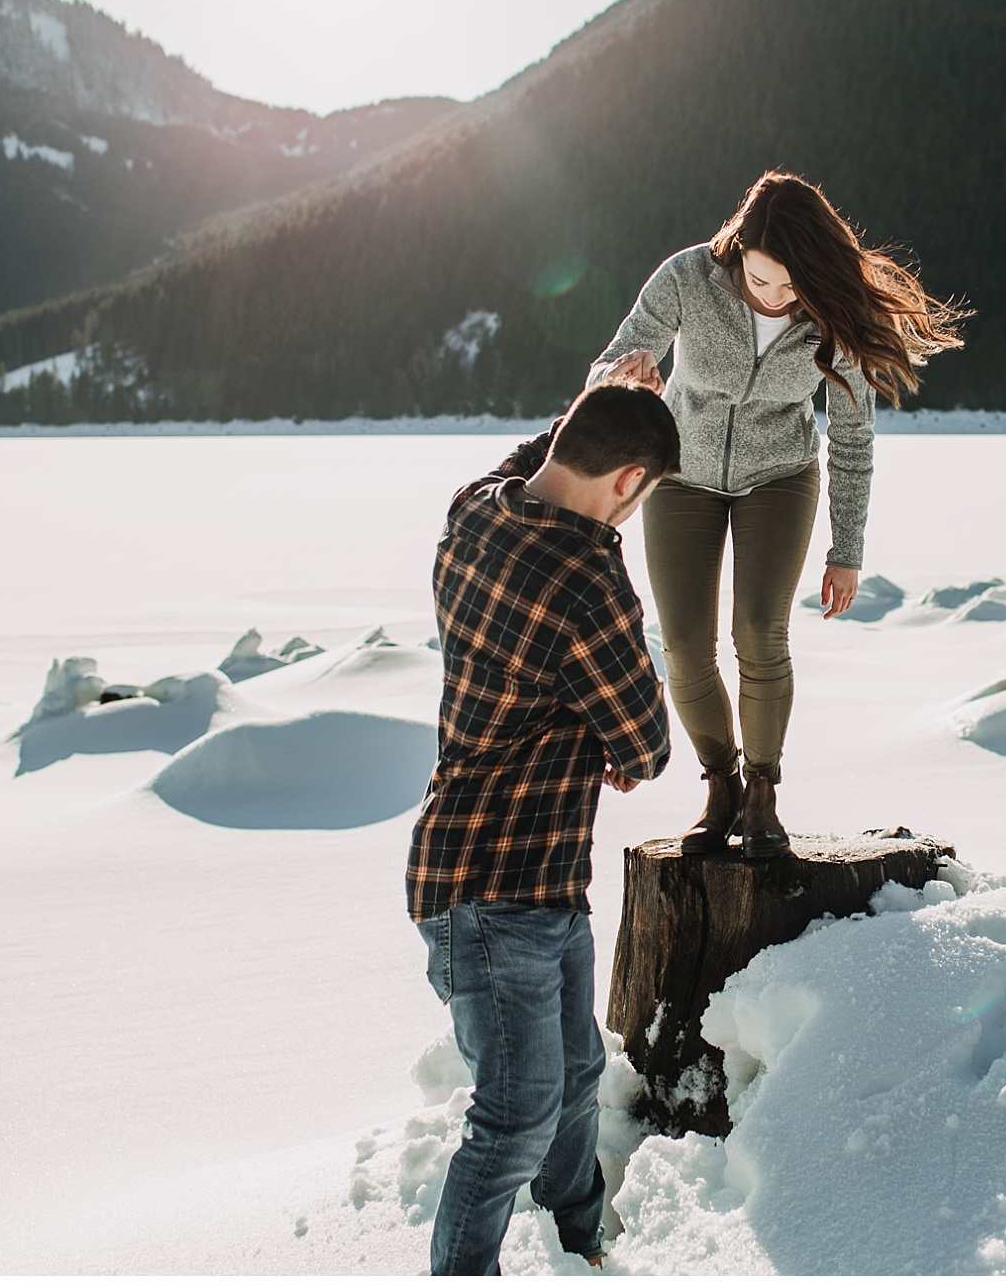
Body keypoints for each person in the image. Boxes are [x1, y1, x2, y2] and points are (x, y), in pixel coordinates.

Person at [588, 171, 968, 858]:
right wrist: (624, 375)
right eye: (760, 281)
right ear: (737, 249)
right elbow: (613, 358)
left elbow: (852, 437)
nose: (773, 298)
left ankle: (763, 792)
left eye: (791, 288)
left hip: (780, 477)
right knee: (683, 647)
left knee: (760, 632)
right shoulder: (688, 278)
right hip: (682, 477)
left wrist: (846, 547)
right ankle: (721, 784)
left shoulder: (832, 312)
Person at [407, 382, 680, 1276]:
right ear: (630, 480)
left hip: (505, 874)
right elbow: (644, 738)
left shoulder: (474, 512)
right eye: (639, 501)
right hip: (501, 894)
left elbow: (528, 464)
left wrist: (587, 408)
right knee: (519, 1110)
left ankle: (580, 1248)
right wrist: (626, 746)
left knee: (571, 1082)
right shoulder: (590, 580)